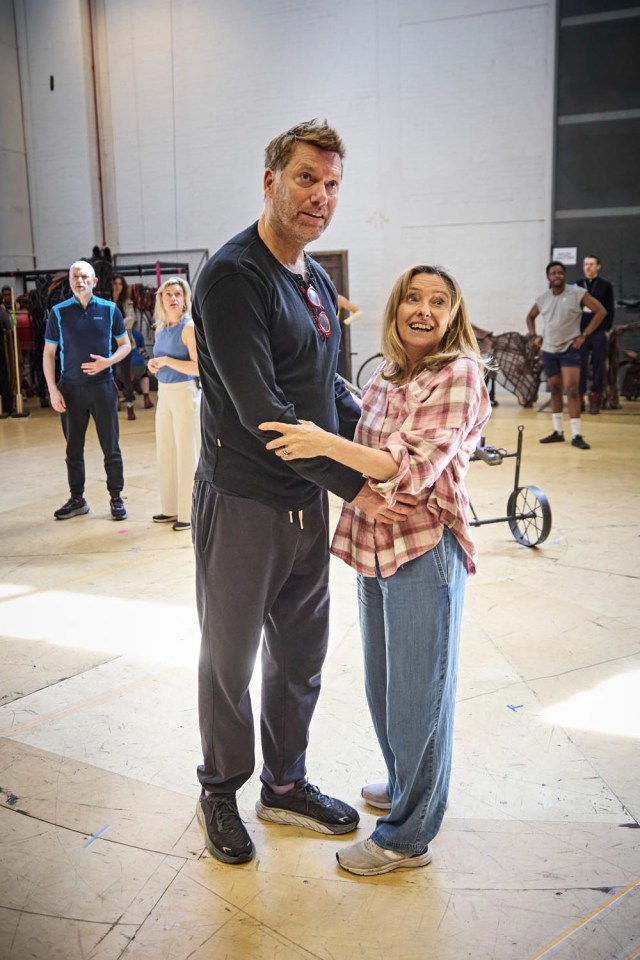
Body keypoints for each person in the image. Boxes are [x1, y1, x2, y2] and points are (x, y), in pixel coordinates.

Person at [191, 119, 416, 865]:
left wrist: (386, 449)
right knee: (229, 659)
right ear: (270, 182)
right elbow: (265, 418)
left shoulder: (315, 279)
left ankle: (284, 788)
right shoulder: (233, 278)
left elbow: (329, 395)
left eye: (331, 184)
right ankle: (221, 789)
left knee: (300, 655)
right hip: (246, 501)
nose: (321, 196)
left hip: (303, 506)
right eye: (306, 179)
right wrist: (358, 485)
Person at [259, 264, 491, 875]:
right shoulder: (389, 376)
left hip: (424, 545)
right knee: (384, 688)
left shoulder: (461, 374)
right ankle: (405, 779)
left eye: (438, 301)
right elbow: (361, 429)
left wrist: (324, 444)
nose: (423, 310)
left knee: (420, 695)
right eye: (412, 298)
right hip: (374, 544)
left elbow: (406, 468)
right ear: (395, 309)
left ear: (453, 315)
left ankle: (407, 836)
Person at [43, 260, 130, 520]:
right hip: (70, 390)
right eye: (74, 276)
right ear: (70, 282)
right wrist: (52, 390)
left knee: (110, 447)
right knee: (73, 449)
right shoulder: (58, 312)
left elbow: (125, 345)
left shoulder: (110, 309)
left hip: (103, 388)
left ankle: (116, 497)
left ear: (94, 281)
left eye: (84, 276)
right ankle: (77, 499)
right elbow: (48, 354)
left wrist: (108, 362)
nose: (79, 280)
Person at [526, 261, 606, 450]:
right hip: (548, 349)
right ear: (548, 276)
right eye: (553, 273)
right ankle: (557, 432)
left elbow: (600, 311)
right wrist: (534, 335)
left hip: (570, 348)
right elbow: (530, 317)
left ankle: (577, 434)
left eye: (560, 273)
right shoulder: (543, 298)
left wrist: (584, 335)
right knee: (554, 389)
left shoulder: (577, 293)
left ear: (564, 275)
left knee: (571, 390)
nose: (557, 276)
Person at [147, 276, 200, 532]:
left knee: (186, 452)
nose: (174, 298)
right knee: (165, 450)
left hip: (184, 392)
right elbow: (162, 362)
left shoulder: (188, 327)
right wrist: (155, 365)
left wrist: (166, 360)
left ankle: (188, 513)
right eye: (169, 294)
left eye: (178, 294)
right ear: (162, 299)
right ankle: (169, 508)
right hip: (164, 393)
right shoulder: (160, 329)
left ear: (185, 299)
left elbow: (199, 367)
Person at [576, 254, 615, 414]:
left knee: (598, 365)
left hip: (598, 332)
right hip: (581, 333)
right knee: (580, 366)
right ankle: (579, 398)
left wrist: (606, 330)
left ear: (598, 266)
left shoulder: (605, 285)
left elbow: (609, 310)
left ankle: (595, 397)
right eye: (586, 264)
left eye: (592, 264)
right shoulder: (577, 285)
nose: (588, 267)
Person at [112, 273, 151, 421]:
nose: (117, 287)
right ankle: (115, 402)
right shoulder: (106, 300)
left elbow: (131, 318)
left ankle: (130, 406)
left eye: (120, 284)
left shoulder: (126, 301)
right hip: (109, 343)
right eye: (115, 284)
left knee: (126, 376)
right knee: (111, 375)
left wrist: (116, 324)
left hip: (124, 342)